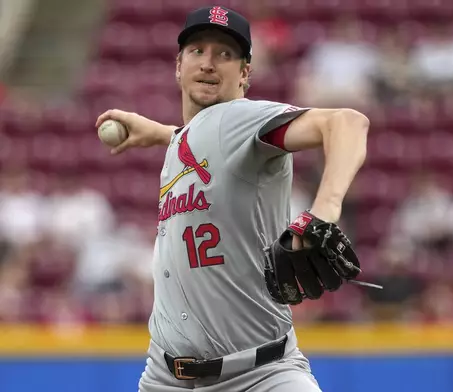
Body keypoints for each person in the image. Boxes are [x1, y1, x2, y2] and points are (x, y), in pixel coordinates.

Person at [95, 6, 370, 392]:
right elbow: (208, 145)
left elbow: (347, 123)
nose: (208, 63)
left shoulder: (241, 118)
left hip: (259, 376)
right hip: (165, 377)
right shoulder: (187, 142)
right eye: (197, 51)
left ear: (244, 74)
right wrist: (165, 134)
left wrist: (321, 215)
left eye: (225, 54)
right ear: (178, 65)